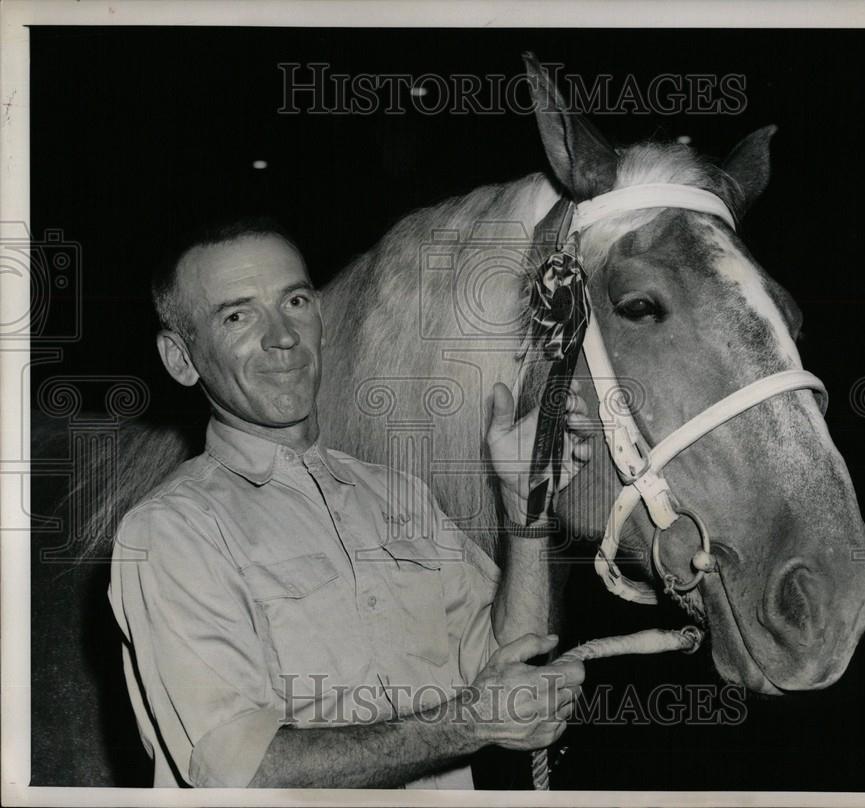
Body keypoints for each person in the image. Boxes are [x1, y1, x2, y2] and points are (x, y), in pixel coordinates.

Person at [108, 218, 591, 789]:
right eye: (236, 315)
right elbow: (247, 772)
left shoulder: (399, 495)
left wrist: (526, 509)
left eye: (294, 300)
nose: (282, 335)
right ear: (181, 359)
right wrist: (467, 724)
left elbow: (513, 659)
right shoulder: (171, 532)